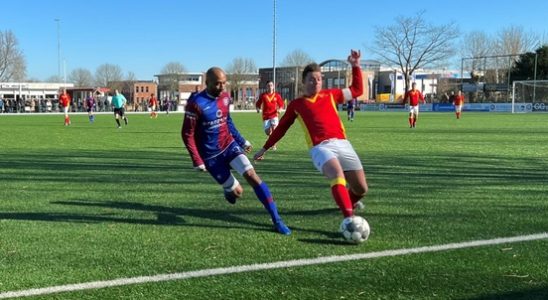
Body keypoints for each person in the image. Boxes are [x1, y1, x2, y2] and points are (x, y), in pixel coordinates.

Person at [253, 49, 368, 228]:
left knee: (361, 189)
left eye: (319, 79)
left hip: (343, 144)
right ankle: (348, 219)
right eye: (312, 79)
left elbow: (357, 90)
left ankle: (348, 202)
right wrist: (265, 148)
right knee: (337, 175)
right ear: (304, 82)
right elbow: (281, 128)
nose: (316, 82)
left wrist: (356, 66)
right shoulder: (297, 105)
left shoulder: (331, 95)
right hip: (321, 148)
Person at [182, 67, 291, 235]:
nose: (222, 87)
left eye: (224, 83)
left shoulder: (225, 97)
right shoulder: (196, 103)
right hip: (211, 157)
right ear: (207, 83)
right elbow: (187, 133)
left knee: (252, 176)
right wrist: (197, 159)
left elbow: (228, 121)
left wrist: (242, 141)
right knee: (237, 192)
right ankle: (229, 191)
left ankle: (277, 220)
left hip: (229, 145)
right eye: (217, 84)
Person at [255, 80, 285, 150]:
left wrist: (280, 109)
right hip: (266, 116)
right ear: (266, 87)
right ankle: (271, 139)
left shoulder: (277, 95)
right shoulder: (263, 95)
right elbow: (258, 104)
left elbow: (281, 104)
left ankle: (274, 145)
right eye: (268, 86)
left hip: (274, 115)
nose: (270, 87)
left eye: (271, 85)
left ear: (273, 87)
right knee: (268, 132)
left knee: (274, 129)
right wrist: (257, 109)